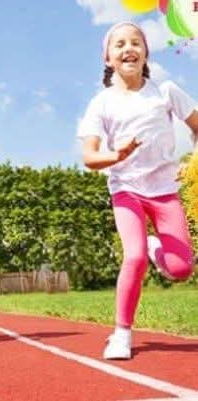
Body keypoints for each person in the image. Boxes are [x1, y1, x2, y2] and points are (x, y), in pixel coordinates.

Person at [78, 22, 198, 359]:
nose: (128, 48)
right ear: (108, 58)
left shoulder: (166, 92)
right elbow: (89, 157)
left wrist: (194, 160)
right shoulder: (101, 103)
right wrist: (117, 155)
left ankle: (156, 248)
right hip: (126, 189)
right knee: (133, 255)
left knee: (181, 269)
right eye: (119, 44)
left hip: (165, 190)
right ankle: (121, 334)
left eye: (136, 42)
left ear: (145, 53)